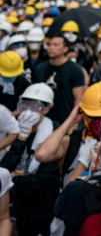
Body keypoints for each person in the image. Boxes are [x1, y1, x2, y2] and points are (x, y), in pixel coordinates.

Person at [0, 83, 60, 236]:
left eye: (34, 106)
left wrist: (11, 181)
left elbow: (44, 178)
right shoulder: (18, 129)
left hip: (44, 205)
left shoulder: (54, 133)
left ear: (46, 109)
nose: (28, 110)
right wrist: (21, 137)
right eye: (24, 105)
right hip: (21, 205)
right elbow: (5, 167)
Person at [34, 34, 86, 124]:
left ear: (65, 49)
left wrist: (72, 123)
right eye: (49, 45)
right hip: (42, 120)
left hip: (65, 120)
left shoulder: (75, 69)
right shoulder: (40, 69)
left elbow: (78, 99)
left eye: (56, 45)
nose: (51, 47)